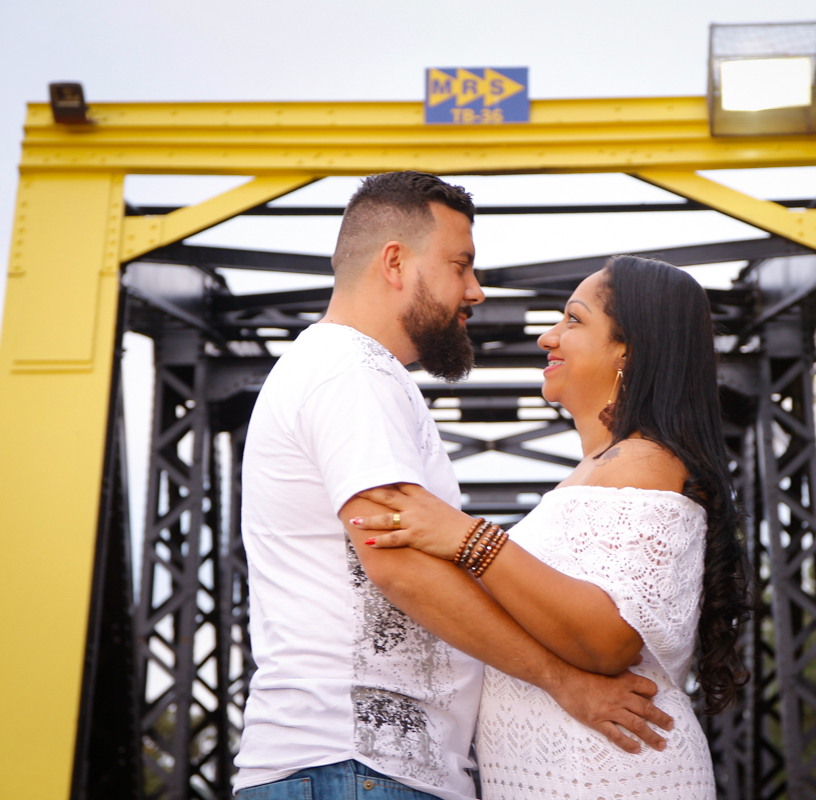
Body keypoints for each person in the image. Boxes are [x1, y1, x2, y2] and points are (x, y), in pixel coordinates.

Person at [234, 174, 675, 800]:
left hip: (364, 769)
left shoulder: (349, 373)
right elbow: (399, 567)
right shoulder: (348, 373)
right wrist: (562, 680)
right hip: (352, 764)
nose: (475, 290)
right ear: (395, 262)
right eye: (460, 265)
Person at [351, 255, 752, 800]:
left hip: (609, 772)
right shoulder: (602, 471)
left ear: (627, 350)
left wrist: (469, 541)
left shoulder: (646, 462)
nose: (547, 337)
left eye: (574, 321)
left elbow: (609, 642)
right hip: (572, 770)